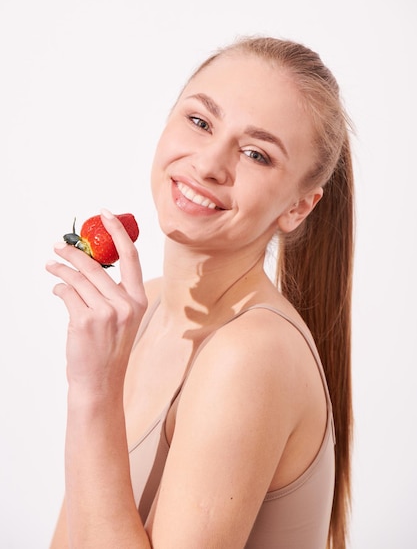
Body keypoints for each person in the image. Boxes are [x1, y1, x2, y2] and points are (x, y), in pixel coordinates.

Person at [46, 36, 354, 549]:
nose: (210, 162)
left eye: (256, 153)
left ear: (298, 207)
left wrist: (93, 393)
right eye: (200, 121)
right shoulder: (143, 311)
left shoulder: (249, 353)